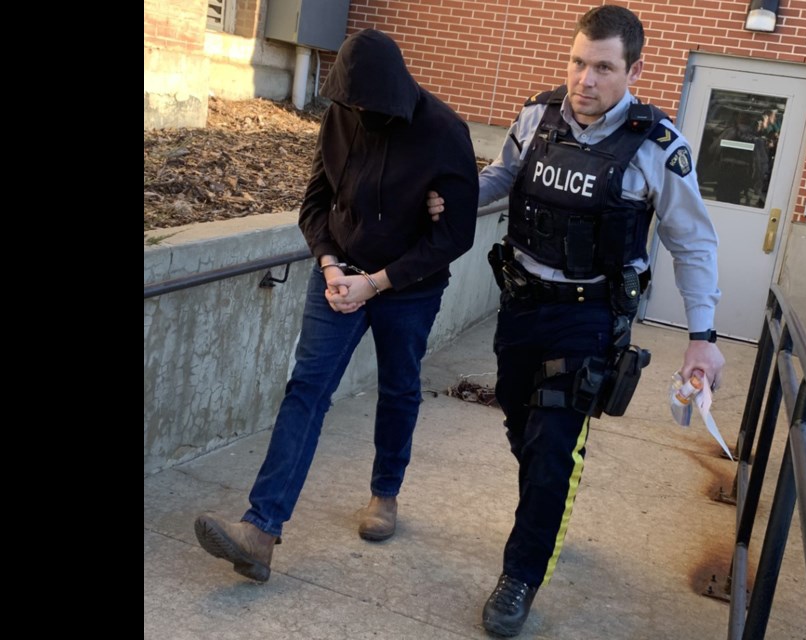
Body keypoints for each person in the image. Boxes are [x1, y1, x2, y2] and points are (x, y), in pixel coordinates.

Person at [429, 5, 724, 636]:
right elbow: (504, 177)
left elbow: (693, 244)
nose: (584, 80)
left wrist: (703, 337)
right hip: (522, 304)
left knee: (553, 446)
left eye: (603, 68)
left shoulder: (658, 147)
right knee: (520, 418)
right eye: (577, 62)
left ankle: (520, 577)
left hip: (589, 319)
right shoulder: (537, 116)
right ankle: (549, 487)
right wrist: (447, 199)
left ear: (633, 69)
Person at [194, 29, 479, 583]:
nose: (360, 114)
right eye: (351, 104)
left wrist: (377, 283)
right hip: (338, 277)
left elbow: (457, 235)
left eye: (369, 106)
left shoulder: (445, 131)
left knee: (398, 390)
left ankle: (385, 494)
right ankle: (261, 529)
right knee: (307, 390)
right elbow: (314, 202)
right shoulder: (340, 117)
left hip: (408, 289)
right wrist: (328, 264)